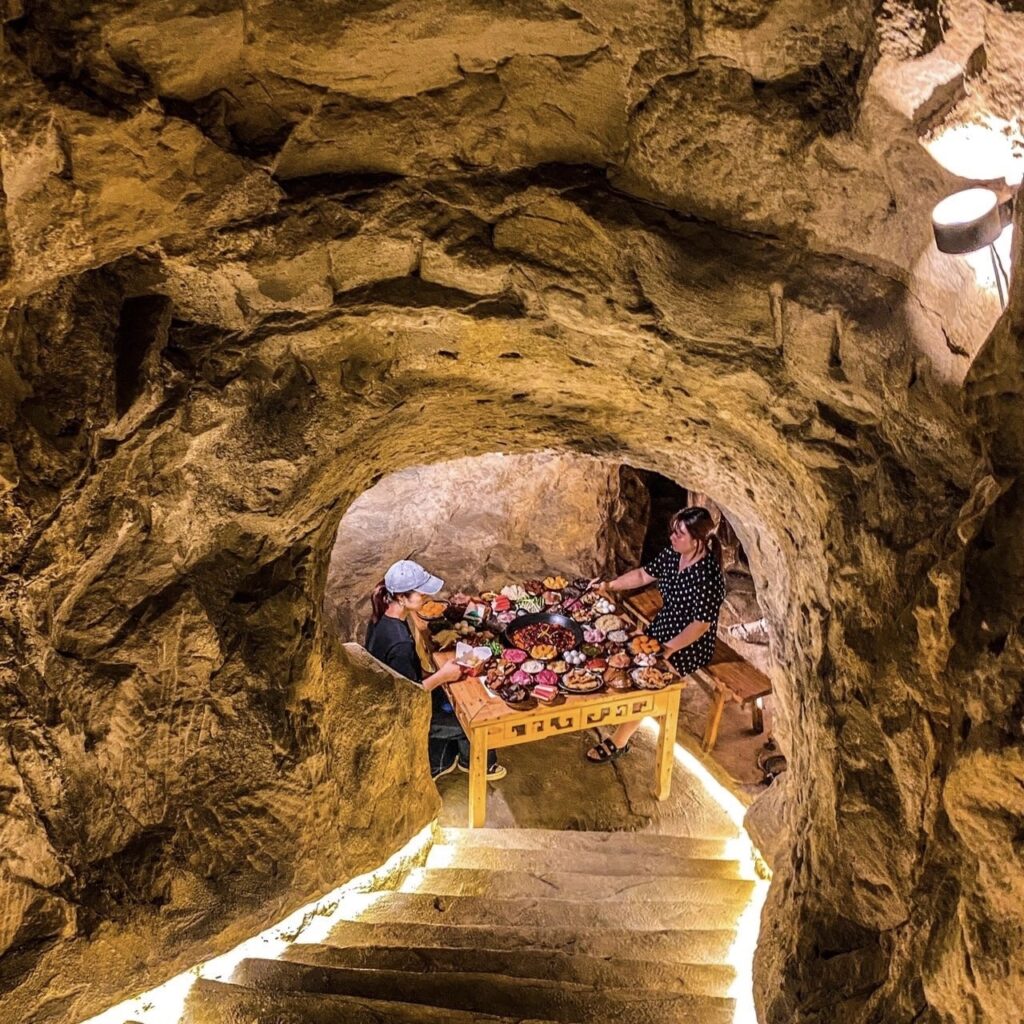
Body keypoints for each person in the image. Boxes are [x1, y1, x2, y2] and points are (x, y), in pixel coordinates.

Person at [586, 507, 727, 764]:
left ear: (698, 540)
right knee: (623, 653)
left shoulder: (709, 576)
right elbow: (643, 574)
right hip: (664, 626)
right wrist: (609, 585)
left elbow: (700, 625)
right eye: (673, 531)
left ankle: (619, 740)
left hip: (690, 641)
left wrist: (669, 649)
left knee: (648, 679)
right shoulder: (675, 554)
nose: (672, 537)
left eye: (679, 534)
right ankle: (622, 708)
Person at [365, 559, 506, 781]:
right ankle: (476, 765)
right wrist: (442, 676)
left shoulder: (384, 618)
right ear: (402, 598)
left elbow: (404, 673)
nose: (426, 598)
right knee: (472, 722)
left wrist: (433, 676)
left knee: (451, 698)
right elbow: (409, 695)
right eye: (421, 594)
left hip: (393, 695)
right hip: (400, 714)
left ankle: (445, 758)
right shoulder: (399, 644)